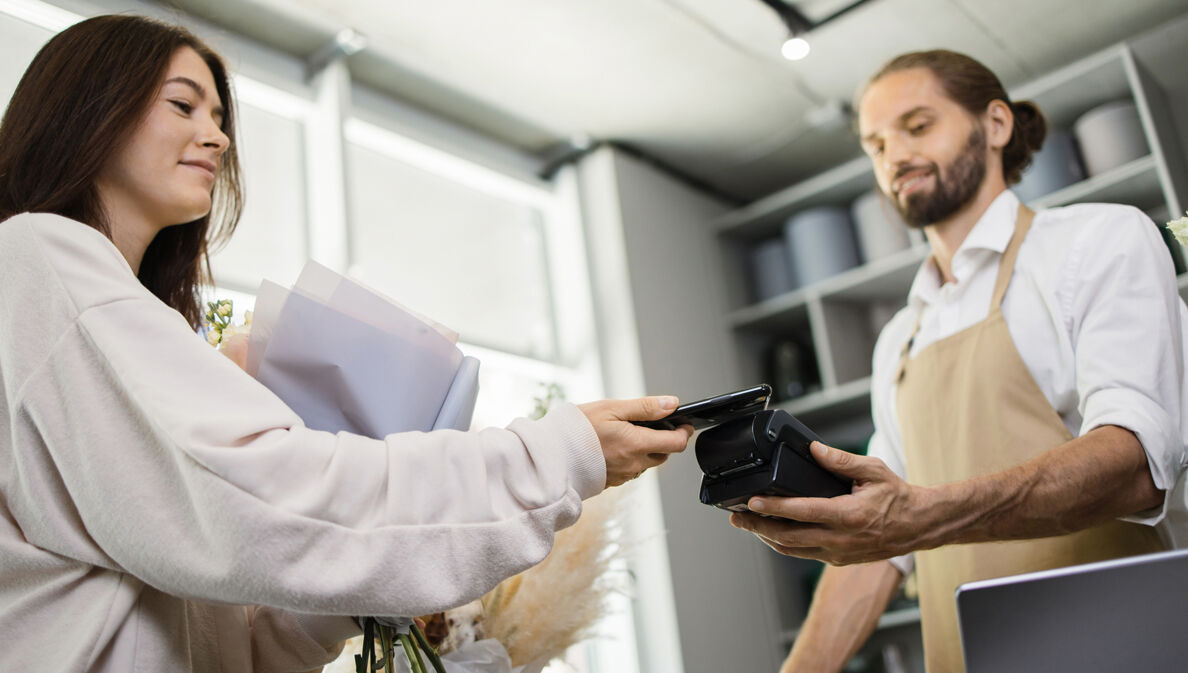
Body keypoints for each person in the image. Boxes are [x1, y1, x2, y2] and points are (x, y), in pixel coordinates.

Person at [0, 14, 693, 672]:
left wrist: (342, 597)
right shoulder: (36, 256)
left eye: (218, 117)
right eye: (183, 106)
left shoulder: (104, 311)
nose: (216, 137)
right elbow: (257, 497)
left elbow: (230, 636)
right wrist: (555, 454)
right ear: (86, 108)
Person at [730, 49, 1188, 673]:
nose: (894, 155)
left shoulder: (1100, 242)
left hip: (1121, 650)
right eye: (876, 144)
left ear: (995, 125)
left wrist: (920, 516)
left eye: (918, 127)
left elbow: (1137, 465)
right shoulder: (900, 337)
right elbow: (884, 551)